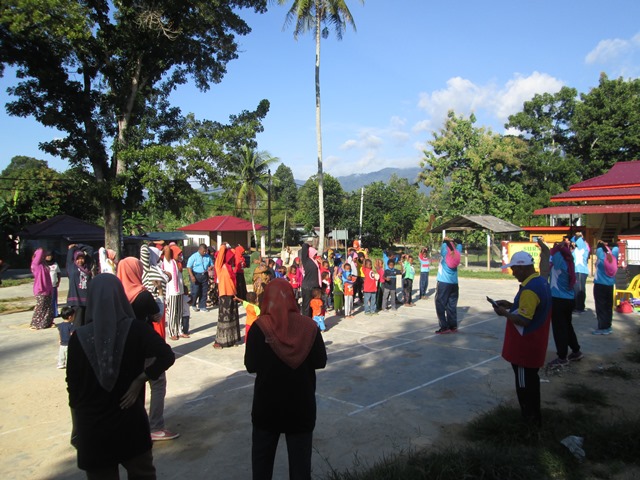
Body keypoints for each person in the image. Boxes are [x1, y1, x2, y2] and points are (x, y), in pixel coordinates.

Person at [66, 274, 175, 478]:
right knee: (142, 473)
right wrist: (141, 379)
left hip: (93, 426)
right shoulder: (136, 329)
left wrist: (77, 429)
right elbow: (166, 355)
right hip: (129, 420)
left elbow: (74, 389)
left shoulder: (78, 338)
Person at [244, 279, 327, 480]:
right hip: (301, 406)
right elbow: (320, 361)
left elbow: (251, 365)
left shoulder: (259, 328)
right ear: (292, 298)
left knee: (262, 467)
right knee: (300, 469)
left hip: (267, 408)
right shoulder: (309, 327)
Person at [117, 257, 179, 441]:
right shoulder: (142, 295)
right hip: (146, 346)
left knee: (132, 386)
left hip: (125, 348)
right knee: (157, 382)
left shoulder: (117, 294)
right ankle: (155, 426)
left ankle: (133, 423)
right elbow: (157, 316)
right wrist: (159, 294)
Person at [492, 251, 552, 426]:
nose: (513, 273)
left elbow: (524, 320)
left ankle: (530, 423)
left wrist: (504, 313)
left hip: (524, 349)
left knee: (525, 387)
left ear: (522, 268)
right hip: (535, 344)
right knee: (532, 383)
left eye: (514, 269)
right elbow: (530, 308)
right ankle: (534, 420)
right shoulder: (540, 282)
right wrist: (511, 305)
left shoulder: (529, 290)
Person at [547, 242, 582, 367]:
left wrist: (554, 249)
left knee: (559, 329)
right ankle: (576, 350)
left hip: (558, 299)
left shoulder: (558, 261)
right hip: (569, 299)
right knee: (567, 326)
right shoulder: (568, 262)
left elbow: (550, 257)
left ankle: (562, 357)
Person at [213, 243, 240, 349]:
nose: (232, 259)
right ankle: (220, 341)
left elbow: (234, 252)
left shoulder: (229, 267)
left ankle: (231, 339)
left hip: (232, 294)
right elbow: (220, 256)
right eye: (230, 258)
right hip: (224, 295)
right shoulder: (220, 266)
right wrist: (223, 246)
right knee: (224, 319)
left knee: (232, 318)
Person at [434, 238, 462, 334]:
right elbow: (460, 243)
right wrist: (455, 241)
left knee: (440, 304)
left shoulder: (445, 253)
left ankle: (444, 326)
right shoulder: (457, 254)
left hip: (443, 283)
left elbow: (444, 244)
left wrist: (446, 240)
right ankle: (453, 326)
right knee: (452, 305)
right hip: (454, 283)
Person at [592, 241, 617, 335]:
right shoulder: (614, 256)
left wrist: (601, 244)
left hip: (600, 284)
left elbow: (599, 248)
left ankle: (602, 327)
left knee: (600, 307)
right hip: (610, 285)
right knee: (608, 307)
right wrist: (606, 245)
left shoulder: (602, 257)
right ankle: (608, 326)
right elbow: (616, 247)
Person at [67, 244, 94, 328]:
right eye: (78, 259)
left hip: (87, 298)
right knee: (77, 323)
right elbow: (70, 252)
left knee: (87, 322)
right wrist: (73, 248)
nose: (80, 260)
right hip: (76, 300)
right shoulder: (71, 266)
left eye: (82, 258)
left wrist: (78, 245)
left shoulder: (87, 266)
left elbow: (90, 249)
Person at [162, 245, 183, 341]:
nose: (180, 256)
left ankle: (179, 331)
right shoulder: (169, 262)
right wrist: (169, 246)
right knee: (172, 313)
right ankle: (171, 332)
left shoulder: (178, 263)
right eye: (178, 254)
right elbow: (166, 248)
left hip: (180, 291)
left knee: (179, 312)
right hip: (172, 292)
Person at [30, 248, 55, 330]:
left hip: (48, 288)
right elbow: (40, 252)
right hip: (40, 289)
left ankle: (47, 323)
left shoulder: (44, 264)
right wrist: (41, 249)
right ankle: (35, 323)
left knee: (48, 307)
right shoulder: (35, 264)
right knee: (40, 307)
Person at [187, 244, 213, 312]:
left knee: (204, 291)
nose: (205, 252)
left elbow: (212, 264)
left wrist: (210, 267)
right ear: (200, 250)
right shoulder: (194, 256)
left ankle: (202, 306)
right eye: (203, 251)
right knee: (195, 291)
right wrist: (192, 276)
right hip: (196, 275)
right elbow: (189, 267)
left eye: (206, 251)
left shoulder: (207, 256)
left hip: (204, 275)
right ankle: (193, 304)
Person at [300, 244, 320, 318]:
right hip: (307, 287)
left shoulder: (315, 262)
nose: (315, 256)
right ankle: (306, 321)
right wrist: (309, 245)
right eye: (314, 254)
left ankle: (312, 321)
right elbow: (304, 246)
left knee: (314, 306)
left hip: (314, 287)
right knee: (306, 307)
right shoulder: (306, 260)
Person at [571, 232, 589, 313]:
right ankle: (575, 305)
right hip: (576, 270)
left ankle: (580, 306)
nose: (573, 243)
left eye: (574, 242)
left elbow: (579, 240)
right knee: (575, 288)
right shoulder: (576, 249)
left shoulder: (584, 247)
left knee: (580, 289)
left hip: (581, 270)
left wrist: (579, 236)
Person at [45, 251, 61, 318]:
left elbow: (58, 273)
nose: (49, 257)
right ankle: (48, 314)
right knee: (47, 300)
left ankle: (55, 313)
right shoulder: (43, 264)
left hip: (54, 285)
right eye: (47, 256)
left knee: (54, 300)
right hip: (46, 286)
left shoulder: (55, 264)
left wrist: (58, 281)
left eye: (50, 255)